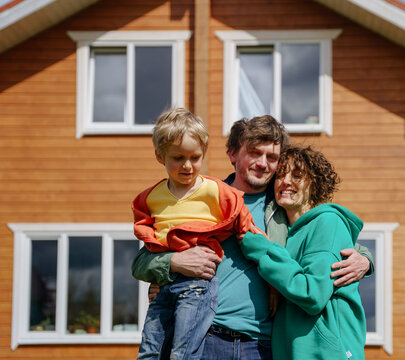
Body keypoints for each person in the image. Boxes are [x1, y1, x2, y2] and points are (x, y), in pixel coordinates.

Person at [132, 115, 373, 359]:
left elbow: (328, 237)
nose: (262, 163)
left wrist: (365, 259)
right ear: (233, 154)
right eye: (254, 153)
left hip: (264, 344)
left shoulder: (284, 202)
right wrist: (173, 263)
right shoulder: (206, 198)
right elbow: (142, 260)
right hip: (207, 338)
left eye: (271, 157)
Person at [132, 108, 265, 359]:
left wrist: (252, 233)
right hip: (166, 286)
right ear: (160, 156)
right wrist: (169, 261)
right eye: (178, 157)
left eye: (195, 157)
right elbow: (143, 250)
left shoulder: (214, 191)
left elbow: (239, 213)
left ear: (203, 154)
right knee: (149, 352)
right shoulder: (152, 197)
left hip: (198, 287)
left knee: (182, 353)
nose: (187, 165)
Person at [239, 145, 366, 359]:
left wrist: (261, 250)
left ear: (314, 184)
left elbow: (312, 294)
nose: (286, 181)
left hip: (325, 353)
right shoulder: (286, 232)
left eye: (297, 176)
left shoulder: (327, 222)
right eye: (280, 175)